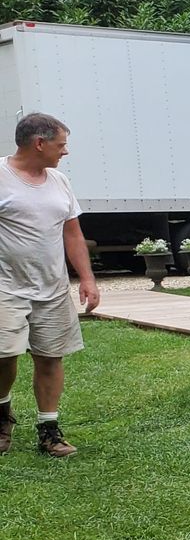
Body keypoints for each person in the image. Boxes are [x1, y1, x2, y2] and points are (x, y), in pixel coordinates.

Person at [0, 112, 97, 458]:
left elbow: (73, 234)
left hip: (52, 289)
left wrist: (86, 278)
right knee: (4, 355)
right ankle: (2, 415)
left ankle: (49, 431)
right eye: (61, 145)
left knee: (50, 356)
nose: (65, 152)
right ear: (39, 144)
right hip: (5, 287)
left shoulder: (60, 181)